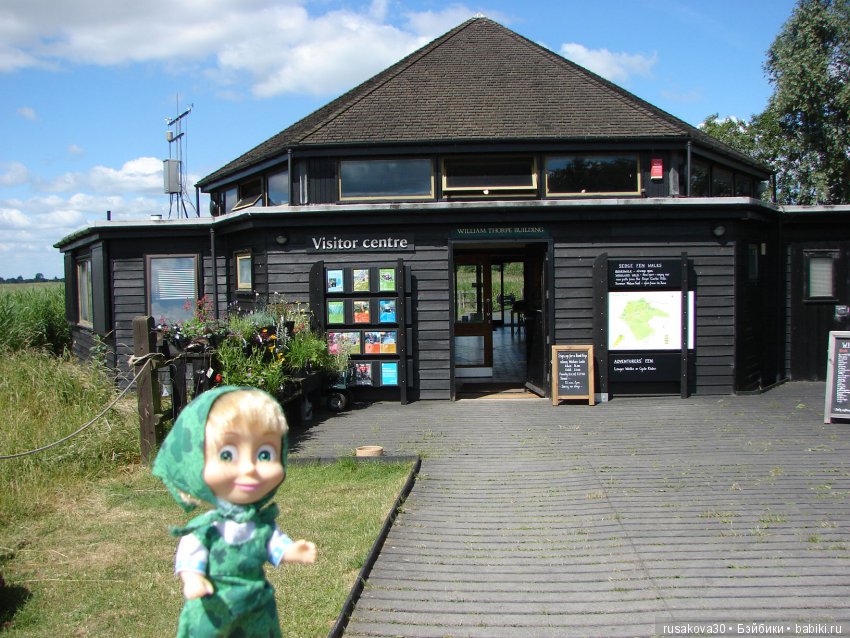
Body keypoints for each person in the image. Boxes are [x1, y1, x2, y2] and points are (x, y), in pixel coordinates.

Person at [152, 386, 317, 637]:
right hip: (214, 610)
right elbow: (191, 552)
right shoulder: (205, 529)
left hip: (257, 608)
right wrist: (193, 578)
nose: (249, 468)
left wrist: (292, 551)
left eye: (264, 454)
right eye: (227, 455)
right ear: (197, 461)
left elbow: (272, 544)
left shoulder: (261, 525)